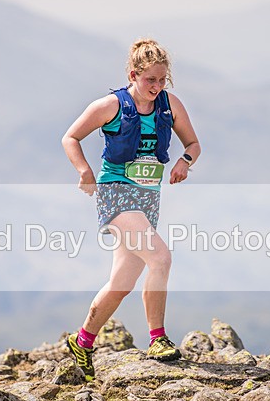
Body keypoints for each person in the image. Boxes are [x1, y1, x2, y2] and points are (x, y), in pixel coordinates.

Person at [61, 38, 202, 382]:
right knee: (161, 258)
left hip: (148, 199)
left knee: (121, 282)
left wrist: (185, 161)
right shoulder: (110, 105)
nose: (156, 87)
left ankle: (82, 341)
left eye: (162, 81)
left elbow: (194, 144)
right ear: (133, 75)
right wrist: (84, 171)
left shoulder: (170, 105)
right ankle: (158, 338)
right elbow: (70, 138)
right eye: (150, 80)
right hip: (116, 195)